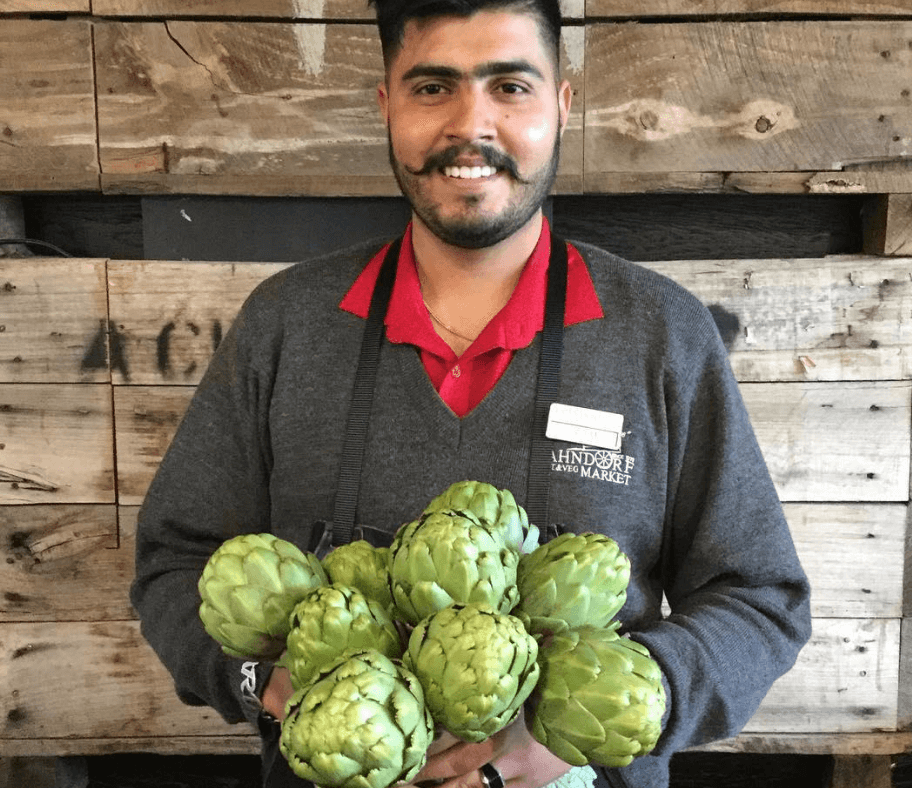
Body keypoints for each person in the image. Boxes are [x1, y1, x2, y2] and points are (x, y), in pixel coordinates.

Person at [130, 0, 812, 786]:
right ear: (386, 106)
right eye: (432, 88)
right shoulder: (284, 326)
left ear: (562, 104)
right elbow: (173, 563)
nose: (471, 126)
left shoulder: (663, 334)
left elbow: (760, 598)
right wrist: (271, 686)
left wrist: (600, 711)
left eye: (511, 87)